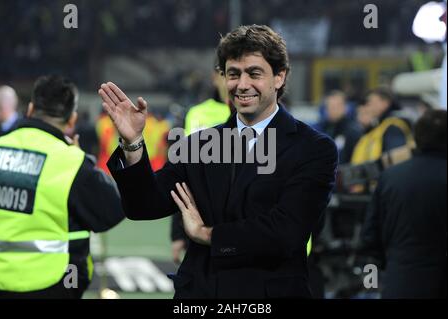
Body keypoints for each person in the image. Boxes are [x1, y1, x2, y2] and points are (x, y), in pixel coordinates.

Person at [100, 25, 338, 298]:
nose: (242, 84)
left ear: (279, 78)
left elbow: (285, 234)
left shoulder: (314, 149)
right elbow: (144, 205)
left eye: (254, 73)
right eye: (233, 74)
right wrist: (133, 143)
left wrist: (208, 235)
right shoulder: (197, 144)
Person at [0, 75, 124, 299]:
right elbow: (112, 211)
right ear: (72, 119)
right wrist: (78, 158)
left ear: (30, 109)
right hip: (49, 283)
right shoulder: (72, 162)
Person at [361, 110, 447, 298]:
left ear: (416, 137)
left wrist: (372, 285)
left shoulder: (390, 178)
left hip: (400, 283)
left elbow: (369, 239)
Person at [171, 65, 232, 264]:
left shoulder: (253, 114)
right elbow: (182, 172)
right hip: (200, 222)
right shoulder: (196, 114)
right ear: (216, 77)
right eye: (228, 74)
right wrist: (177, 232)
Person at [351, 88, 414, 165]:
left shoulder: (393, 126)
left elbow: (394, 160)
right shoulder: (381, 126)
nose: (368, 106)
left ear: (384, 104)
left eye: (371, 102)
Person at [315, 91, 363, 164]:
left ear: (345, 108)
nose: (332, 110)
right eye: (330, 107)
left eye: (336, 107)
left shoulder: (353, 131)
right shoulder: (320, 129)